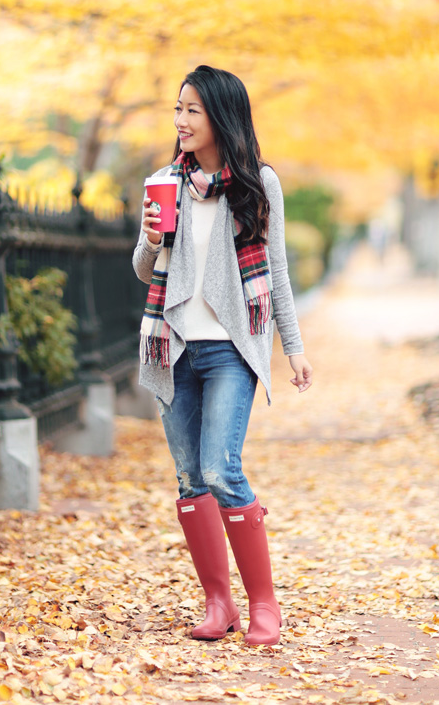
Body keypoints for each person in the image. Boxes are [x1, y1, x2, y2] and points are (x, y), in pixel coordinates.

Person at [132, 65, 313, 646]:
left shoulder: (259, 183)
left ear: (220, 116)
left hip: (233, 347)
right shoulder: (163, 181)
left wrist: (295, 348)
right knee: (190, 478)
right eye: (177, 109)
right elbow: (142, 269)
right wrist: (154, 238)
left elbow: (277, 271)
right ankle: (219, 604)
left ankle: (264, 605)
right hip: (174, 345)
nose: (181, 120)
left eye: (192, 110)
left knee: (221, 469)